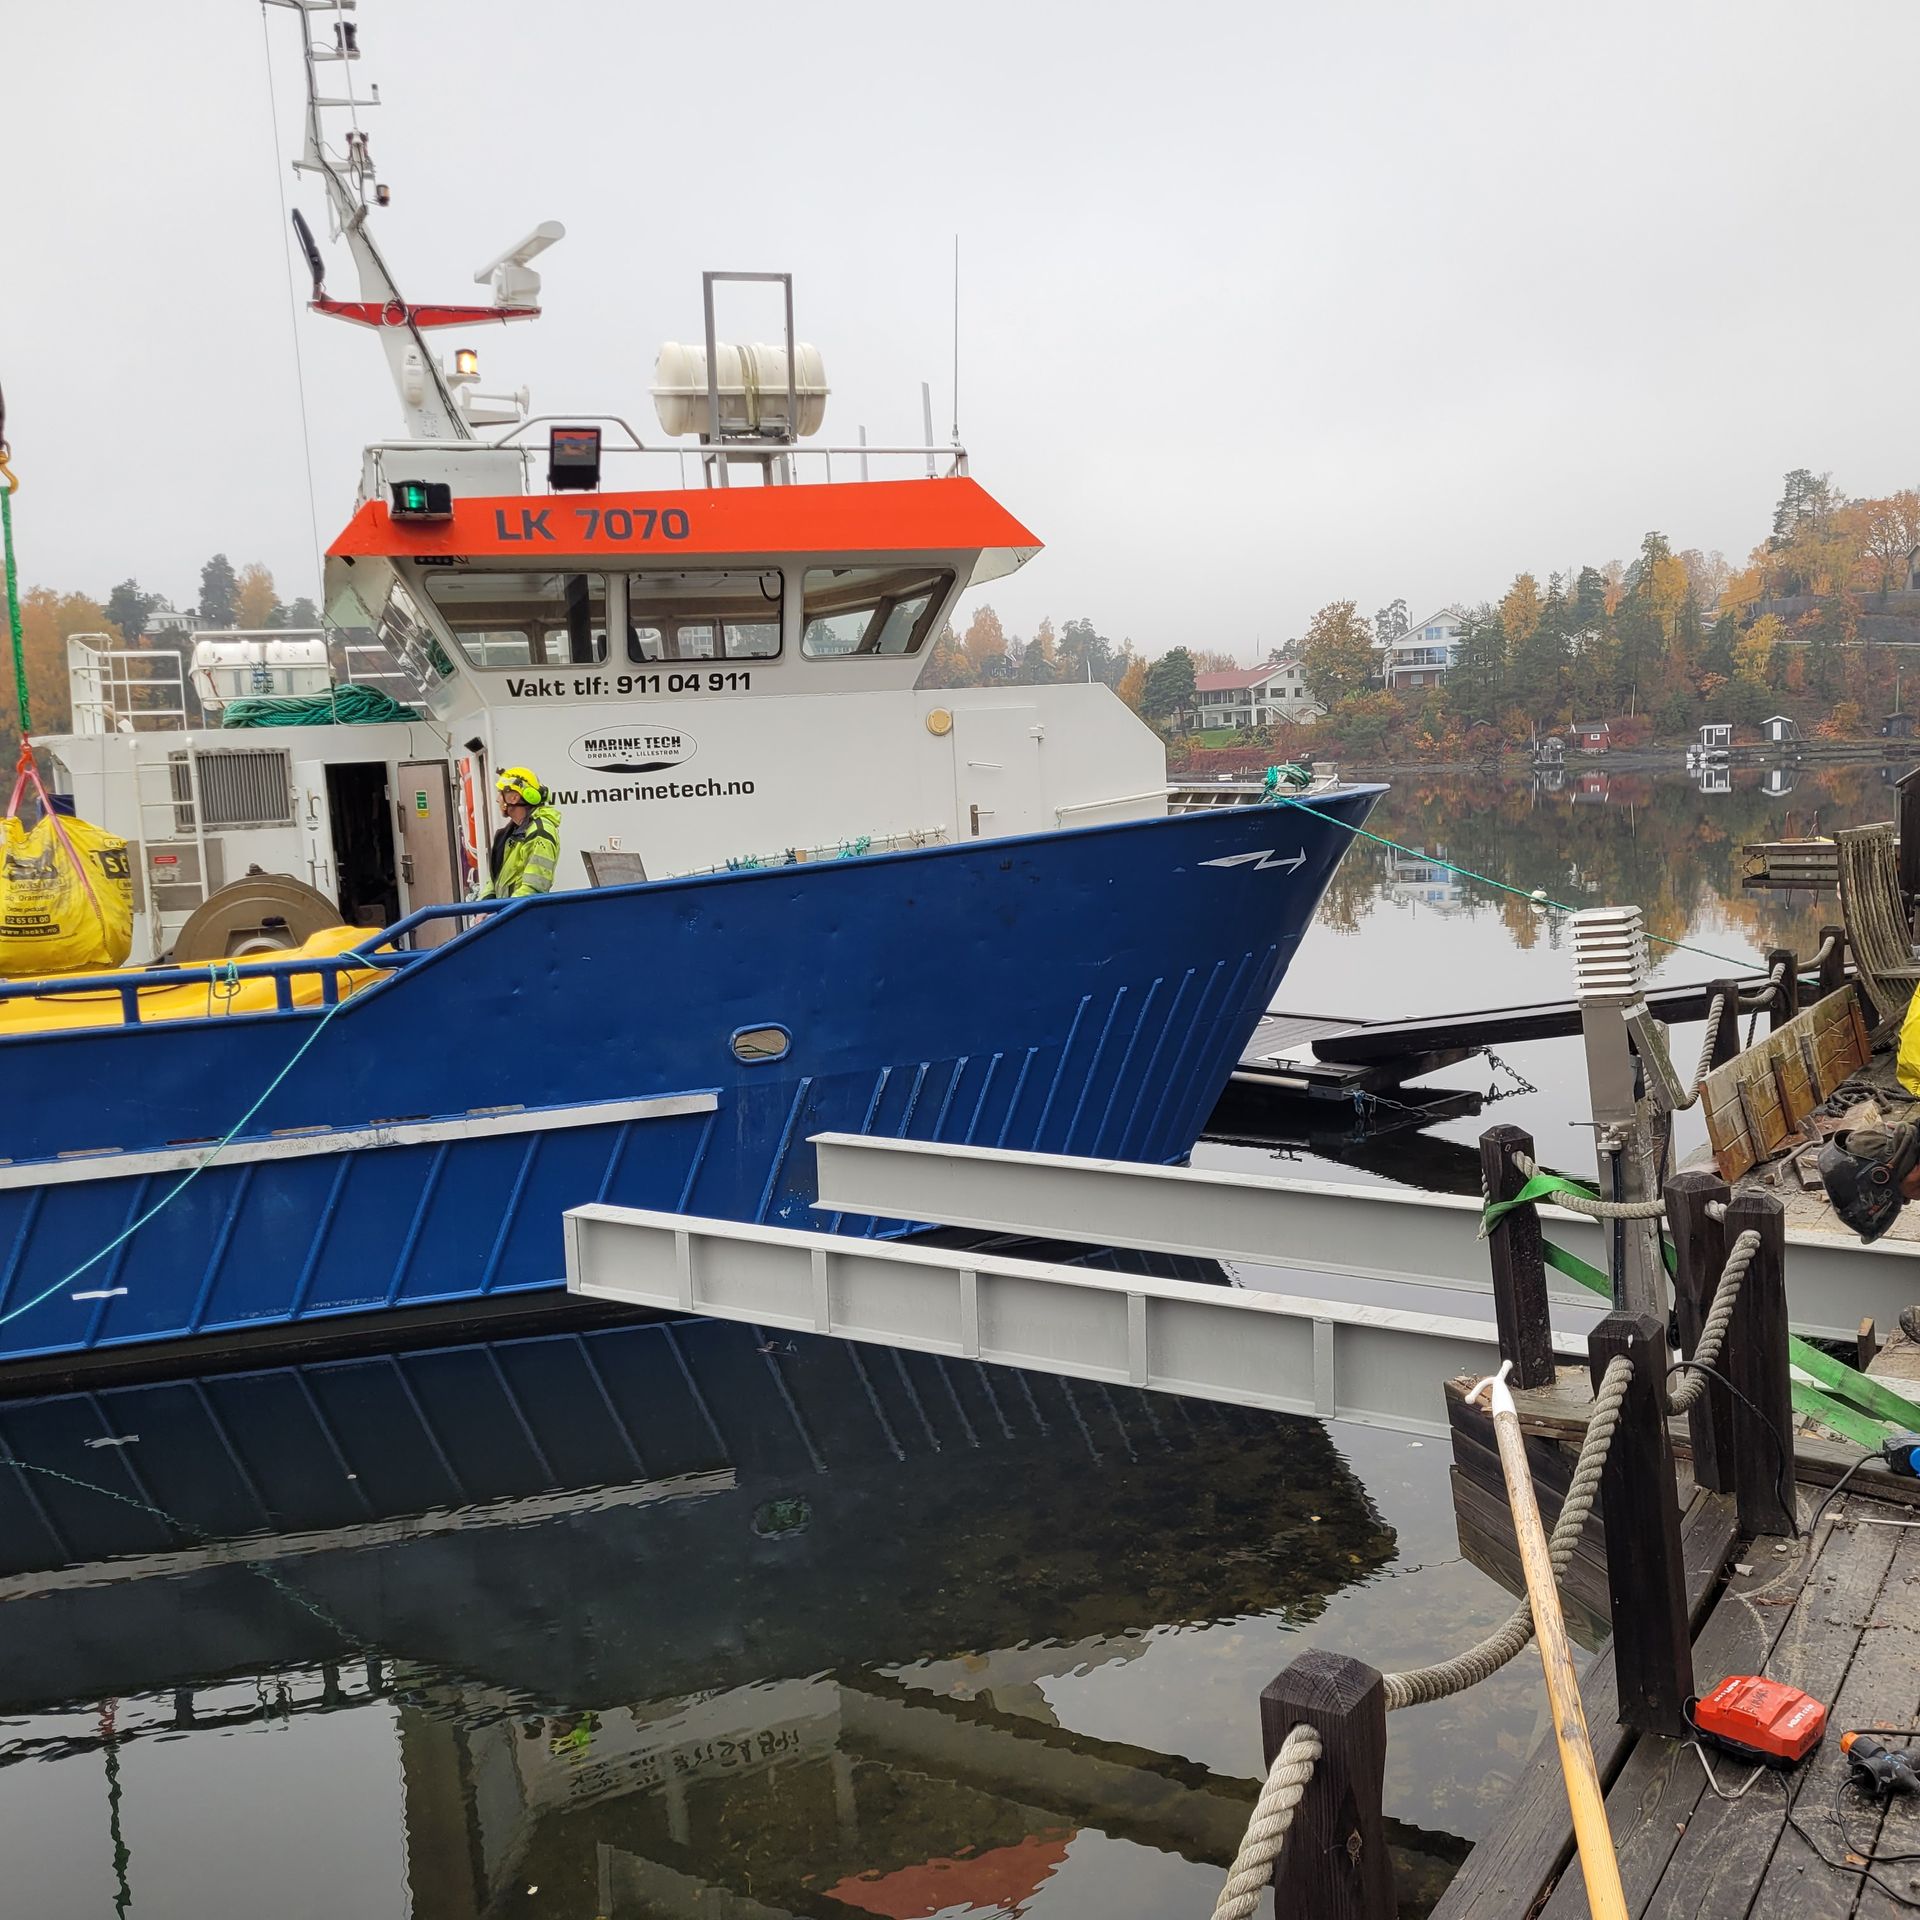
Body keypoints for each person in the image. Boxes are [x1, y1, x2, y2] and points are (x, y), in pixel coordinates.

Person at [474, 767, 560, 899]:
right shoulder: (511, 833)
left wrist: (500, 914)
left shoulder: (540, 833)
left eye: (500, 793)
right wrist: (483, 907)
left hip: (520, 917)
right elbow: (495, 879)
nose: (498, 799)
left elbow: (533, 889)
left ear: (514, 798)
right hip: (506, 914)